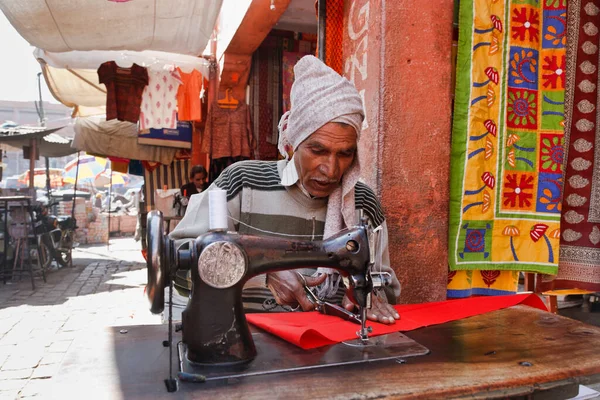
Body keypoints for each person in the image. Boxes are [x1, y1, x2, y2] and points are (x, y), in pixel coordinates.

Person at [171, 55, 401, 324]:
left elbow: (384, 283)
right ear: (293, 141)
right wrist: (258, 273)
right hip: (241, 337)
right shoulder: (242, 183)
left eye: (345, 154)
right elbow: (178, 265)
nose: (331, 169)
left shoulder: (364, 203)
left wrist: (372, 295)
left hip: (328, 348)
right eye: (318, 150)